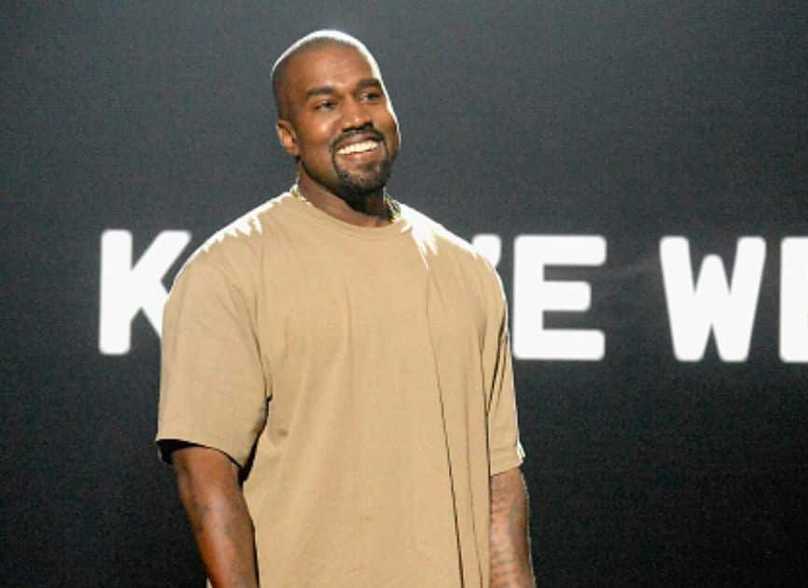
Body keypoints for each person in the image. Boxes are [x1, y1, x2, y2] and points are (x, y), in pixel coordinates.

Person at [156, 30, 534, 587]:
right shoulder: (229, 272)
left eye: (370, 95)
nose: (356, 117)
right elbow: (205, 475)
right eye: (325, 104)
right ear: (288, 136)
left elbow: (499, 481)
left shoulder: (467, 272)